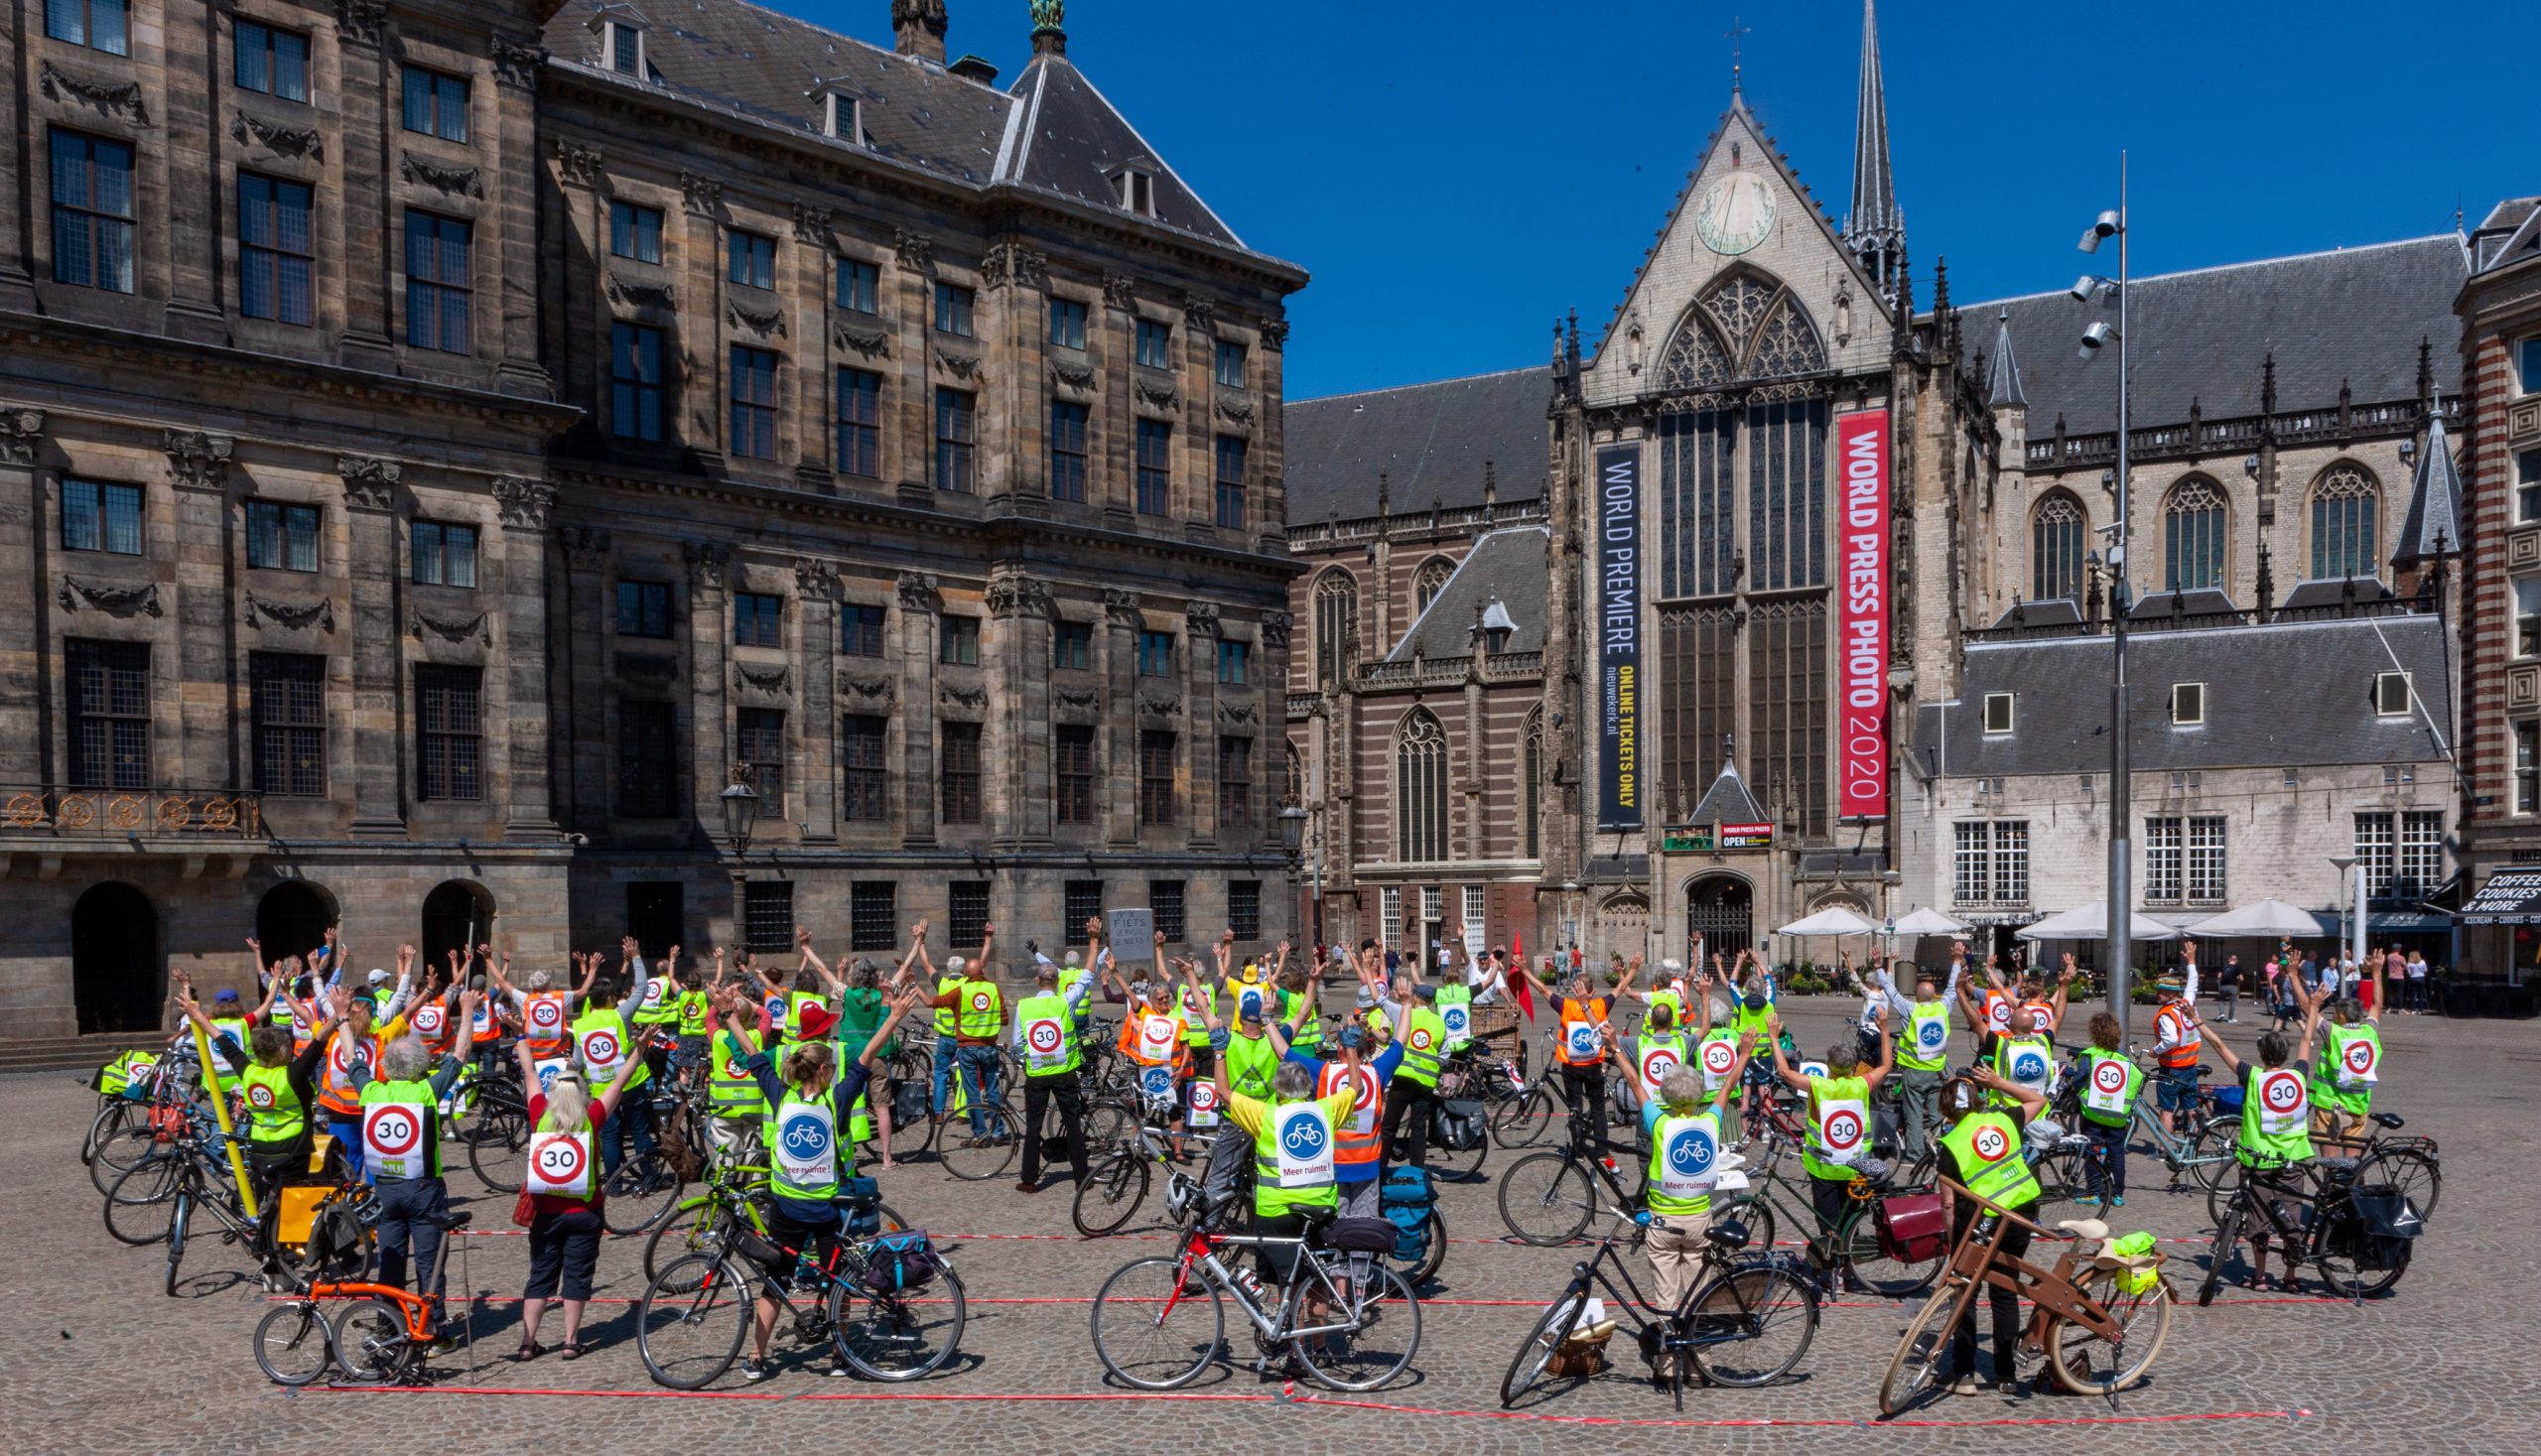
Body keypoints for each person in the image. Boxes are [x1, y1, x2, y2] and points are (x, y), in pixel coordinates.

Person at [720, 984, 922, 1380]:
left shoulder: (780, 1095)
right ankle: (839, 1354)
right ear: (827, 1071)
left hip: (786, 1206)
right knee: (837, 1283)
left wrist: (729, 1016)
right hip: (829, 1207)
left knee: (775, 1284)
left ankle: (757, 1358)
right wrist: (893, 1016)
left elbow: (754, 1055)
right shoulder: (838, 1099)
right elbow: (866, 1058)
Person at [175, 973, 330, 1287]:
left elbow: (221, 1039)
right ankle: (284, 1267)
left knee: (265, 1210)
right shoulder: (293, 1076)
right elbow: (319, 1042)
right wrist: (337, 1017)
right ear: (282, 1052)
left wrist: (195, 1013)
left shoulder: (247, 1071)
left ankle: (269, 1267)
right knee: (287, 1211)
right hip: (292, 1150)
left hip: (261, 1149)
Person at [1212, 1038, 1358, 1357]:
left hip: (1276, 1212)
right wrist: (1351, 1050)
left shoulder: (1265, 1114)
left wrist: (1220, 1052)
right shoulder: (1325, 1109)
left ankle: (1294, 1351)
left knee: (1287, 1286)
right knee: (1318, 1283)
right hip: (1320, 1208)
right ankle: (1317, 1349)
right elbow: (1355, 1088)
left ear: (1278, 1091)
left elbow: (1223, 1093)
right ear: (1308, 1089)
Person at [514, 1023, 647, 1361]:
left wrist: (520, 1037)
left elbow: (529, 1071)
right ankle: (571, 1340)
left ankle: (528, 1342)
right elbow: (619, 1082)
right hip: (586, 1212)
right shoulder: (593, 1116)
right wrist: (639, 1050)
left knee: (540, 1275)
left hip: (545, 1214)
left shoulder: (539, 1116)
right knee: (577, 1275)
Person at [355, 1002, 480, 1342]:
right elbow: (461, 1052)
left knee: (391, 1262)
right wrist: (467, 1012)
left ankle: (388, 1326)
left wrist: (341, 1019)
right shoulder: (426, 1090)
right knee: (429, 1261)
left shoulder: (372, 1091)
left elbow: (353, 1062)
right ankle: (433, 1328)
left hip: (385, 1189)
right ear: (420, 1064)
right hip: (423, 1188)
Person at [2206, 973, 2324, 1291]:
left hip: (2257, 1161)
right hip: (2292, 1160)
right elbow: (2306, 1040)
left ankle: (2258, 1277)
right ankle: (2290, 1277)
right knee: (2291, 1222)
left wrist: (2197, 1022)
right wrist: (2312, 1008)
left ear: (2262, 1055)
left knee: (2258, 1222)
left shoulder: (2254, 1077)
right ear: (2284, 1056)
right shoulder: (2298, 1076)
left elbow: (2219, 1046)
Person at [1935, 1068, 2046, 1395]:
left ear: (1945, 1109)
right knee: (2004, 1291)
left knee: (1964, 1292)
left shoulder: (1951, 1144)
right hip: (2021, 1213)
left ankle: (1964, 1373)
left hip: (1981, 1222)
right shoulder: (2004, 1119)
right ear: (1978, 1101)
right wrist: (1999, 1083)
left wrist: (1954, 1244)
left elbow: (1949, 1205)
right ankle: (2006, 1375)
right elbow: (2038, 1099)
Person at [1640, 1056, 1748, 1383]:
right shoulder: (1710, 1122)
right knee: (1698, 1296)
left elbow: (1635, 1085)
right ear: (1699, 1095)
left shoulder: (1660, 1124)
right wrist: (1743, 1053)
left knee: (1667, 1297)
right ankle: (1700, 1366)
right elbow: (1728, 1086)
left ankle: (1669, 1368)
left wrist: (1616, 1049)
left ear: (1667, 1096)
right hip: (1699, 1220)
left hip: (1663, 1222)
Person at [1768, 1008, 1892, 1284]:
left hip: (1824, 1166)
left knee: (1827, 1221)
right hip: (1854, 1166)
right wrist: (1884, 1030)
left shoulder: (1819, 1086)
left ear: (1828, 1065)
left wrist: (1774, 1038)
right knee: (1851, 1219)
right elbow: (1885, 1066)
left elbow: (1784, 1072)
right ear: (1852, 1066)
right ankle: (1849, 1270)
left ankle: (1829, 1269)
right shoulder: (1861, 1085)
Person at [1281, 958, 1408, 1222]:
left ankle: (1337, 1263)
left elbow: (1283, 1050)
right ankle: (1359, 1264)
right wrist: (1407, 1004)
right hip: (1367, 1165)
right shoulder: (1377, 1072)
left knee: (1336, 1228)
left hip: (1333, 1165)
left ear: (1339, 1048)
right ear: (1367, 1049)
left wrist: (1266, 1021)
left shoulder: (1325, 1072)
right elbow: (1400, 1041)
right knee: (1363, 1227)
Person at [1514, 953, 1618, 1164]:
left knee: (1575, 1108)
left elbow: (1542, 989)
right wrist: (1630, 971)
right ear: (1593, 991)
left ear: (1574, 990)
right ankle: (1602, 1149)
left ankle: (1579, 1149)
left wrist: (1525, 970)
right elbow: (1620, 989)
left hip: (1571, 1065)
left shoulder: (1566, 1006)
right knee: (1598, 1107)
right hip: (1593, 1065)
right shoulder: (1601, 1005)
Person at [1013, 950, 1096, 1193]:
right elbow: (1087, 977)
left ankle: (1029, 1180)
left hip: (1037, 1074)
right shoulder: (1065, 1001)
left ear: (1037, 980)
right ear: (1057, 982)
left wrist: (1028, 1059)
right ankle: (1081, 1178)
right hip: (1065, 1073)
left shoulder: (1024, 1006)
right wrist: (1092, 941)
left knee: (1033, 1127)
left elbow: (1018, 1042)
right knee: (1073, 1125)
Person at [929, 923, 1009, 1146]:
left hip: (967, 1047)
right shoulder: (993, 989)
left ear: (967, 973)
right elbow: (1004, 1019)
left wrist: (915, 989)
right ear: (981, 973)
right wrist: (988, 937)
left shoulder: (958, 988)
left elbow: (936, 1002)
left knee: (972, 1091)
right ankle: (999, 1132)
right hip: (989, 1047)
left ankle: (980, 1134)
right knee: (993, 1090)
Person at [2072, 1011, 2144, 1208]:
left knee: (2092, 1152)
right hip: (2117, 1116)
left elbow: (2080, 1079)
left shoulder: (2089, 1055)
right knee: (2116, 1153)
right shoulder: (2123, 1059)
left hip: (2093, 1113)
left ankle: (2093, 1192)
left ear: (2094, 1033)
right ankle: (2117, 1194)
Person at [2310, 958, 2385, 1143]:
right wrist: (2376, 972)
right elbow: (2377, 1005)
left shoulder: (2333, 1032)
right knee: (2351, 1166)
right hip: (2358, 1105)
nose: (2333, 1016)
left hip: (2330, 1106)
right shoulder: (2369, 1032)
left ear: (2341, 1015)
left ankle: (2332, 1173)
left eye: (2335, 1013)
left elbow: (2307, 1009)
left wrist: (2294, 976)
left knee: (2330, 1164)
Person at [1382, 980, 1448, 1169]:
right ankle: (1417, 1172)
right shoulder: (1439, 1022)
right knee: (1419, 1129)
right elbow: (1444, 1056)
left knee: (1389, 1128)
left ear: (1416, 998)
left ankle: (1380, 1170)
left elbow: (1380, 1001)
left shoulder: (1404, 1013)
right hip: (1426, 1083)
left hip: (1403, 1078)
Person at [1890, 962, 1953, 1160]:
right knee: (1937, 1115)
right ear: (1935, 996)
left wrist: (1880, 967)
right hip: (1937, 1072)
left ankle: (1916, 1153)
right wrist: (1958, 962)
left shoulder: (1910, 1009)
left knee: (1914, 1115)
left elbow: (1891, 992)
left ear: (1917, 995)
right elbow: (1952, 989)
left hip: (1914, 1072)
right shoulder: (1943, 1008)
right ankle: (1943, 1150)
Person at [2146, 974, 2203, 1137]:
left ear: (2172, 994)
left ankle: (2164, 1149)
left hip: (2171, 1069)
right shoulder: (2186, 1004)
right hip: (2190, 1066)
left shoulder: (2166, 1014)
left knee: (2167, 1110)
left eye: (2161, 991)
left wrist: (2154, 1051)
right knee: (2190, 1107)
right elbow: (2192, 986)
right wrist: (2191, 962)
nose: (2157, 994)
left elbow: (2170, 1040)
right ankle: (2194, 1145)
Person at [2216, 954, 2242, 1023]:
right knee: (2233, 1003)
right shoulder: (2237, 967)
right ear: (2236, 961)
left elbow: (2219, 976)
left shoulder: (2223, 966)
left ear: (2229, 959)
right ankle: (2230, 1019)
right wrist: (2238, 980)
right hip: (2233, 987)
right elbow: (2241, 978)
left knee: (2221, 1000)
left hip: (2223, 986)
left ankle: (2222, 1013)